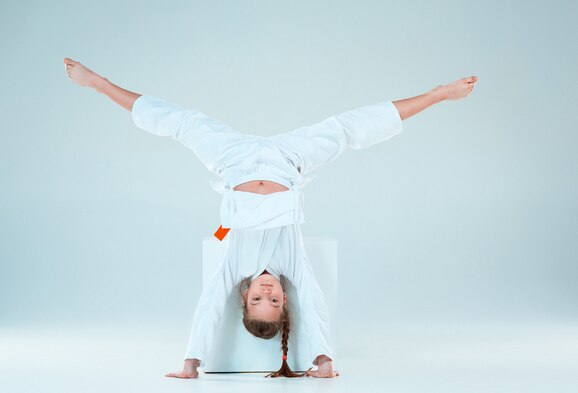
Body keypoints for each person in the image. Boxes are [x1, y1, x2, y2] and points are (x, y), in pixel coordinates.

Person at [63, 57, 477, 378]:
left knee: (181, 123)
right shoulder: (290, 263)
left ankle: (96, 83)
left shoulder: (235, 265)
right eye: (275, 300)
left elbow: (208, 306)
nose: (266, 291)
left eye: (258, 299)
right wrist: (323, 358)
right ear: (283, 300)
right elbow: (313, 303)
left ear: (243, 297)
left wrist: (191, 363)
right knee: (347, 128)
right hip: (289, 162)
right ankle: (441, 94)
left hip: (232, 161)